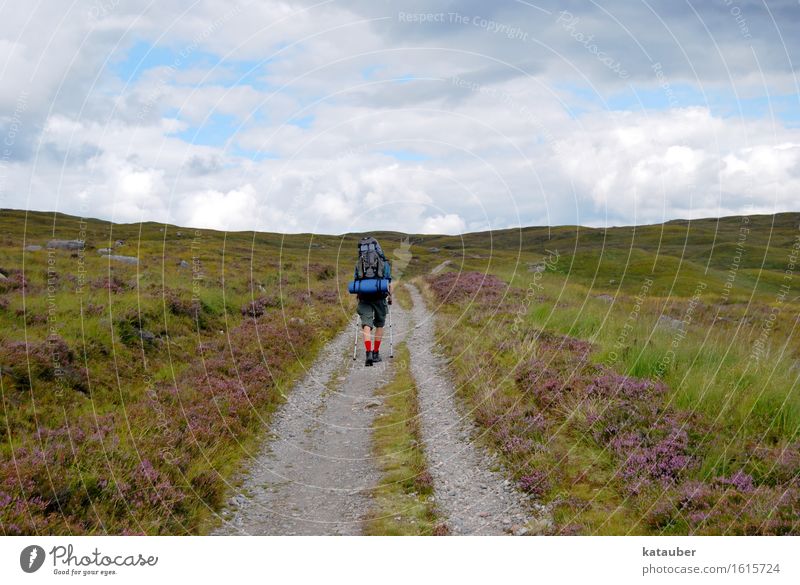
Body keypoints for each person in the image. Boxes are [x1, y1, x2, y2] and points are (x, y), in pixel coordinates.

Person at [354, 236, 394, 366]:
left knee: (366, 324)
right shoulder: (385, 263)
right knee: (380, 325)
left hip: (364, 297)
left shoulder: (360, 262)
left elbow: (356, 280)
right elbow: (389, 283)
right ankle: (376, 353)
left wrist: (358, 295)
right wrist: (390, 297)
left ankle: (368, 353)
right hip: (380, 297)